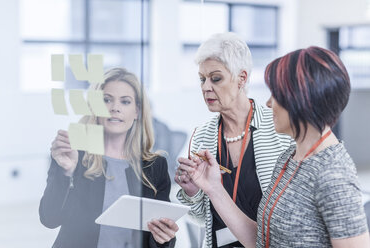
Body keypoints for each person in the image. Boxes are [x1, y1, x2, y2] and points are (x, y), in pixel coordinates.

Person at [184, 47, 370, 247]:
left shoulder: (333, 174)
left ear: (302, 99)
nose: (269, 103)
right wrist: (213, 188)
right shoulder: (290, 157)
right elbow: (264, 240)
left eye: (276, 94)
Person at [175, 32, 292, 248]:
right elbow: (201, 219)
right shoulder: (201, 136)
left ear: (242, 78)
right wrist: (192, 192)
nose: (205, 87)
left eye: (215, 78)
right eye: (202, 79)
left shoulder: (279, 127)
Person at [39, 68, 178, 248]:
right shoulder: (74, 156)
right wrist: (67, 172)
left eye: (125, 102)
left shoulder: (155, 166)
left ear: (136, 112)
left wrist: (164, 239)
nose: (115, 108)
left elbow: (161, 239)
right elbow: (49, 219)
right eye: (106, 100)